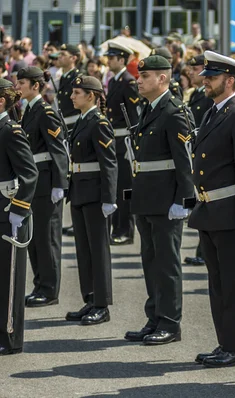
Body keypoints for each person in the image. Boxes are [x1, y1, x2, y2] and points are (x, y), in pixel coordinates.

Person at [188, 51, 235, 367]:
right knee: (217, 282)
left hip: (230, 210)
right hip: (210, 209)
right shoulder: (213, 112)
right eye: (205, 76)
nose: (205, 81)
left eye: (212, 77)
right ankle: (225, 343)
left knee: (233, 282)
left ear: (229, 80)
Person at [123, 55, 195, 345]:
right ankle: (154, 317)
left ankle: (169, 322)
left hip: (167, 201)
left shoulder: (174, 111)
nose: (139, 81)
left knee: (166, 264)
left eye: (145, 76)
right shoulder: (149, 109)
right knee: (150, 262)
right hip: (148, 199)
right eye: (140, 76)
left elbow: (185, 161)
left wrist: (184, 200)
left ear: (162, 78)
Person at [65, 76, 118, 325]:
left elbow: (109, 163)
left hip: (95, 194)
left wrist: (109, 197)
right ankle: (90, 298)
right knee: (84, 250)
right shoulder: (83, 120)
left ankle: (102, 304)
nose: (72, 96)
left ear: (91, 96)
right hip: (79, 192)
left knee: (98, 251)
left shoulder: (99, 123)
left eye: (77, 92)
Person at [15, 67, 69, 308]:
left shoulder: (45, 111)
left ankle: (49, 290)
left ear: (35, 85)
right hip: (34, 183)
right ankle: (40, 285)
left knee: (47, 239)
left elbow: (58, 149)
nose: (18, 87)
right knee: (35, 238)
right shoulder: (28, 111)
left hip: (47, 184)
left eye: (22, 82)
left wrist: (60, 183)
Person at [0, 78, 38, 355]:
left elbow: (29, 174)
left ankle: (10, 337)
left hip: (7, 213)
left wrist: (18, 210)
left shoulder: (10, 130)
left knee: (9, 279)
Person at [105, 41, 139, 246]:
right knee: (117, 187)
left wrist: (132, 144)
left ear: (121, 60)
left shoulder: (128, 82)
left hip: (124, 140)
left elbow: (132, 117)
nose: (108, 61)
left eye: (112, 57)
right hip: (114, 140)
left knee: (126, 187)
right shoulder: (114, 81)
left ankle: (126, 229)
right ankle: (117, 227)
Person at [182, 54, 213, 267]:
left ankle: (204, 250)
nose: (191, 73)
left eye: (195, 69)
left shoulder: (208, 95)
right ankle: (202, 249)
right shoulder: (195, 94)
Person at [56, 44, 82, 131]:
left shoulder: (78, 77)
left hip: (75, 124)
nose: (59, 57)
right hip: (65, 124)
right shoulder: (63, 77)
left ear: (73, 58)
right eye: (59, 54)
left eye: (63, 54)